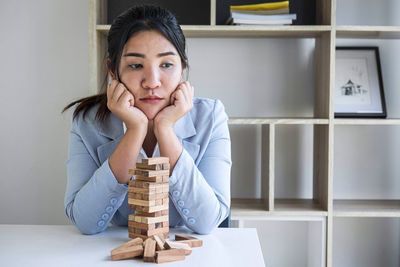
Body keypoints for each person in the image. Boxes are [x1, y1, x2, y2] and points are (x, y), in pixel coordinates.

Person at [62, 5, 231, 235]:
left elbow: (208, 221)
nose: (152, 82)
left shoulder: (211, 117)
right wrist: (135, 130)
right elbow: (85, 222)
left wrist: (165, 129)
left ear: (182, 68)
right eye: (135, 65)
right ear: (113, 71)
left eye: (166, 65)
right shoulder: (87, 122)